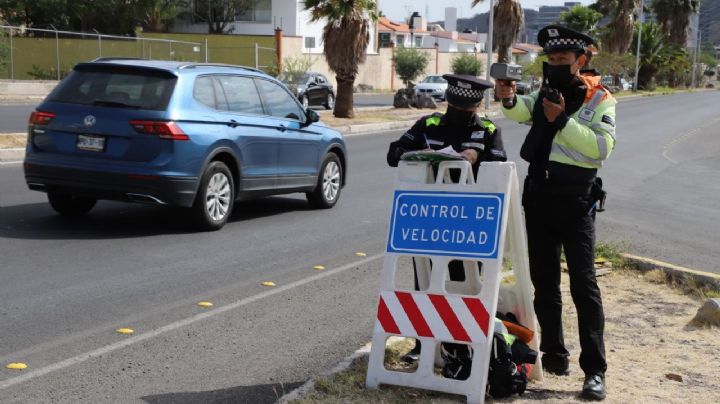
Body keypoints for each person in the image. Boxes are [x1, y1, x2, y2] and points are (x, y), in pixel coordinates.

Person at [495, 25, 616, 401]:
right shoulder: (546, 93)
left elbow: (601, 148)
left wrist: (563, 121)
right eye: (551, 60)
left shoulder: (601, 99)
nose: (556, 66)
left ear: (581, 61)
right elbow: (520, 112)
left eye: (563, 60)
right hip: (539, 198)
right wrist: (508, 96)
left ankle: (594, 371)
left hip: (577, 202)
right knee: (545, 284)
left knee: (584, 286)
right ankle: (554, 354)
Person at [387, 74, 507, 378]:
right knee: (425, 280)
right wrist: (418, 156)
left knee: (465, 284)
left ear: (477, 104)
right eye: (455, 105)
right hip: (428, 219)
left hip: (470, 223)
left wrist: (475, 157)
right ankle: (424, 343)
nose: (459, 111)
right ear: (448, 101)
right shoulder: (428, 125)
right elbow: (394, 153)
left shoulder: (487, 131)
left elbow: (501, 167)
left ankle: (462, 344)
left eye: (465, 107)